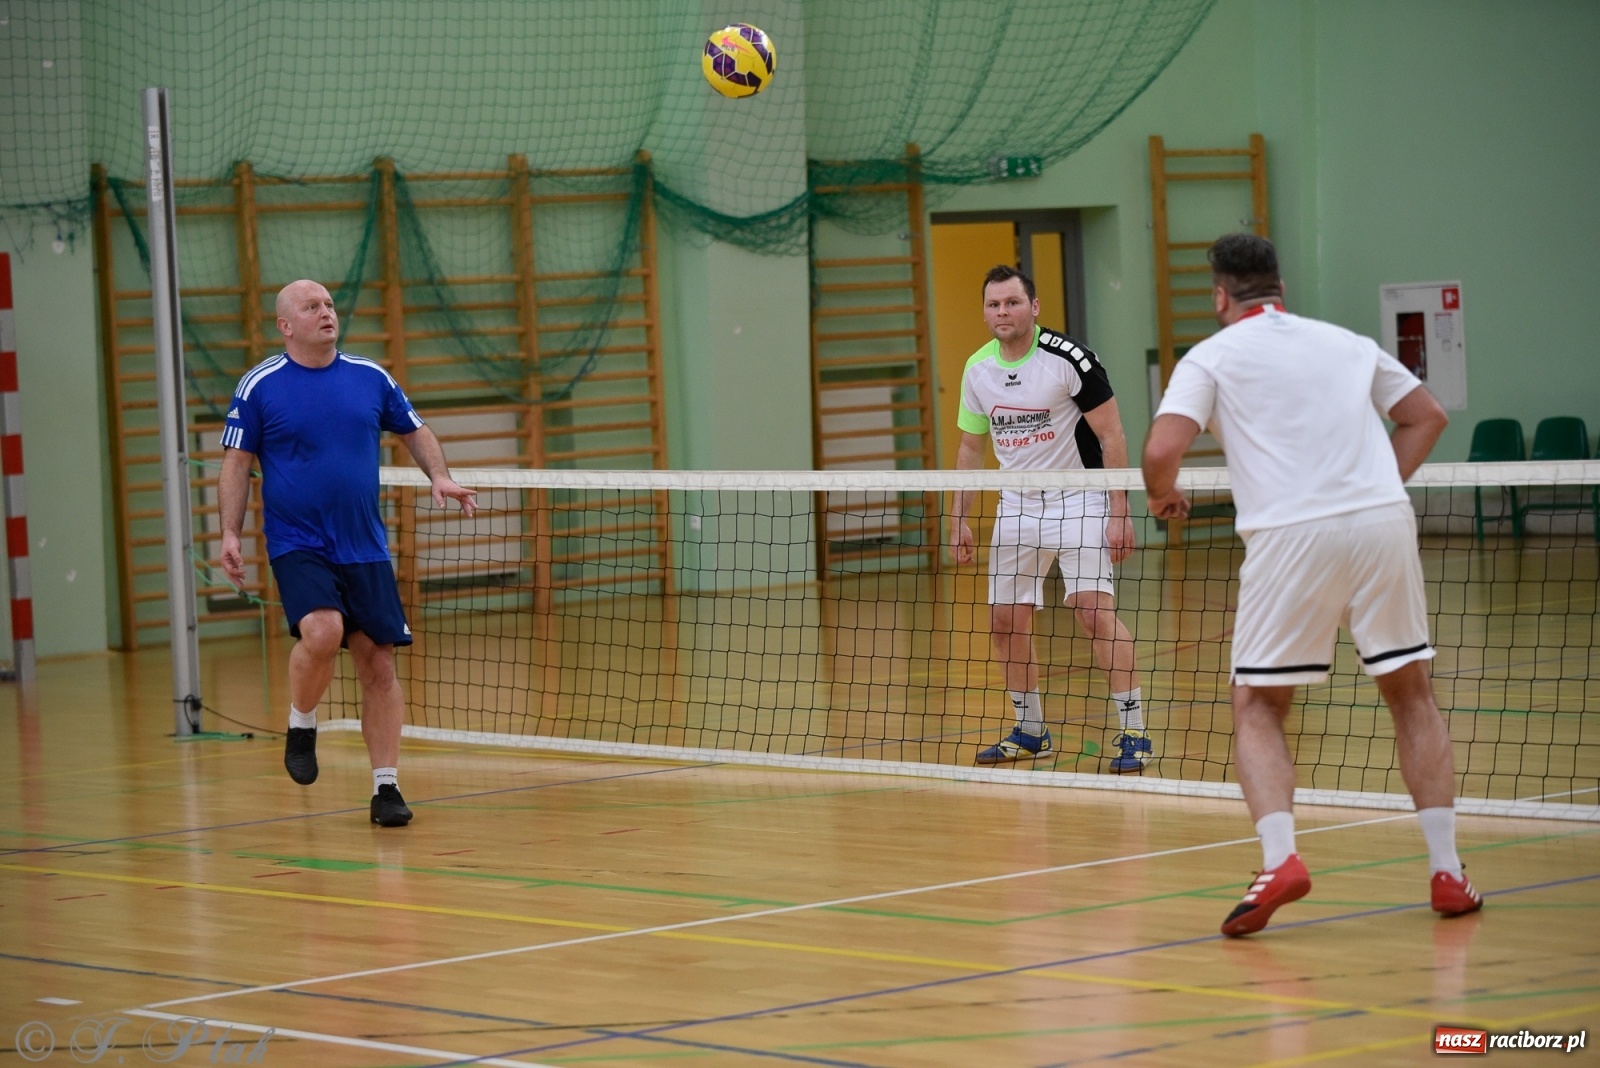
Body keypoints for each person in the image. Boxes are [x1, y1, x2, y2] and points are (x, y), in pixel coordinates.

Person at [1142, 233, 1483, 936]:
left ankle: (1280, 860)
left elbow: (1160, 449)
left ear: (1219, 296)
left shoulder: (1210, 356)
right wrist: (1376, 488)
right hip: (1381, 522)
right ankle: (1448, 870)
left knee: (1258, 703)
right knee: (1411, 694)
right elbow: (1428, 416)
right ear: (1280, 289)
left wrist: (1161, 496)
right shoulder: (1346, 341)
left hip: (1290, 535)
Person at [219, 280, 477, 827]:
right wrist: (229, 534)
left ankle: (386, 789)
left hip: (364, 546)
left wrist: (441, 476)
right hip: (298, 541)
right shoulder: (261, 385)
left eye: (330, 305)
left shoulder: (369, 376)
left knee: (378, 663)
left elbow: (415, 428)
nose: (326, 313)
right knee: (322, 631)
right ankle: (301, 721)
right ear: (286, 325)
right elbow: (237, 464)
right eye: (312, 307)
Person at [949, 265, 1152, 773]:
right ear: (985, 311)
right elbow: (970, 448)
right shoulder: (977, 369)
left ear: (1033, 307)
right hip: (1016, 506)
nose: (1003, 312)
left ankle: (1134, 732)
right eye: (994, 304)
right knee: (1004, 622)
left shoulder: (1069, 359)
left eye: (1013, 303)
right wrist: (958, 519)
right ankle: (1031, 730)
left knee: (1092, 612)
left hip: (1079, 499)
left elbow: (1113, 436)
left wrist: (1120, 510)